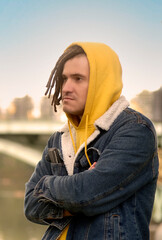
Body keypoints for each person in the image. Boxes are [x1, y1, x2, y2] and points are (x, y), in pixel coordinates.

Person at [24, 42, 159, 239]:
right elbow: (31, 205)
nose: (67, 88)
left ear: (101, 83)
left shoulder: (135, 130)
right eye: (63, 78)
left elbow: (86, 195)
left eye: (78, 79)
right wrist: (79, 193)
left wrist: (45, 185)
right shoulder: (58, 139)